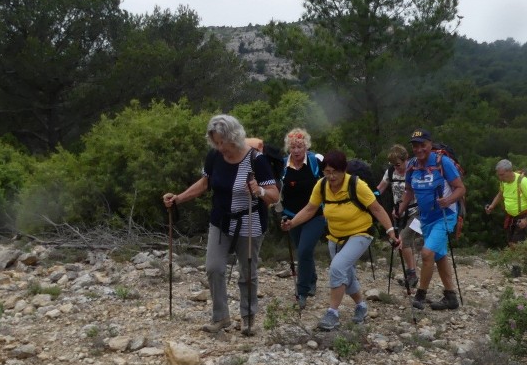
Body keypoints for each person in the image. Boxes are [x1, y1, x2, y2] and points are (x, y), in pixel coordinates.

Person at [162, 114, 279, 335]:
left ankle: (248, 318)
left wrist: (260, 191)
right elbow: (204, 183)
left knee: (247, 273)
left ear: (233, 137)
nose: (219, 146)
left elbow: (274, 196)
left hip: (250, 221)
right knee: (214, 268)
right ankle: (221, 317)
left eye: (222, 141)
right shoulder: (214, 157)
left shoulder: (257, 160)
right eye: (215, 141)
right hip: (221, 220)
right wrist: (179, 198)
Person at [281, 150, 400, 331]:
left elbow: (376, 208)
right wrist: (292, 223)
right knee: (347, 273)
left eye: (335, 172)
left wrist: (390, 231)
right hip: (335, 236)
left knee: (337, 268)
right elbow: (310, 209)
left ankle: (332, 313)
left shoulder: (356, 185)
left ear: (344, 170)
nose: (331, 176)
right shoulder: (321, 186)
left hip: (360, 233)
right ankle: (361, 306)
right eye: (327, 172)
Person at [395, 129, 466, 311]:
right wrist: (401, 209)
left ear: (430, 144)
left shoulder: (443, 162)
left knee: (427, 254)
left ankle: (420, 295)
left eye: (422, 145)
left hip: (445, 216)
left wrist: (448, 201)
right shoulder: (412, 166)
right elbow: (409, 191)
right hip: (425, 218)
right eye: (415, 146)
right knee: (440, 256)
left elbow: (460, 188)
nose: (419, 149)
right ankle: (451, 297)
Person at [279, 128, 326, 310]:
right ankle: (312, 279)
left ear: (306, 146)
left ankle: (302, 291)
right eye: (293, 147)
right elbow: (278, 190)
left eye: (299, 146)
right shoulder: (283, 166)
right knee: (303, 249)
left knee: (304, 250)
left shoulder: (316, 162)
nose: (296, 151)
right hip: (292, 216)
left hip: (315, 215)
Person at [377, 144, 421, 289]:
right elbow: (380, 189)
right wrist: (369, 199)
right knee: (406, 243)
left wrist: (400, 209)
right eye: (393, 165)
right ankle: (411, 275)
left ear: (406, 159)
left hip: (417, 212)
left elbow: (412, 193)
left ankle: (412, 274)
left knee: (403, 239)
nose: (396, 168)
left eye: (398, 164)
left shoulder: (414, 171)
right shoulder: (390, 172)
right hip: (399, 213)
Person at [486, 159, 527, 247]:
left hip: (523, 215)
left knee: (516, 244)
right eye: (498, 175)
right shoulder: (503, 182)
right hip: (510, 216)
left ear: (509, 171)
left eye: (502, 175)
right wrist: (492, 206)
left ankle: (523, 258)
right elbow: (500, 194)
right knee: (510, 241)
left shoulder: (522, 181)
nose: (500, 177)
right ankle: (524, 256)